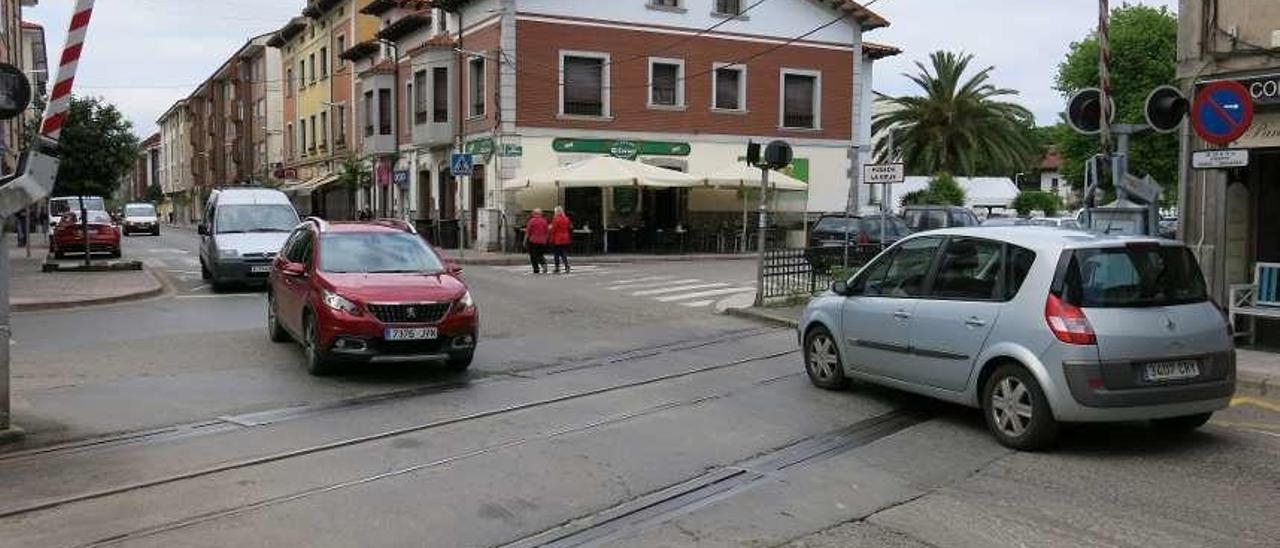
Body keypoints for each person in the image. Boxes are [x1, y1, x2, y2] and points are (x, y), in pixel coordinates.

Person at [524, 208, 549, 274]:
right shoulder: (544, 221)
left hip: (533, 240)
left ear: (534, 214)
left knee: (533, 255)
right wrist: (546, 239)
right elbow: (547, 231)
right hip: (542, 241)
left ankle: (536, 268)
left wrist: (525, 241)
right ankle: (543, 263)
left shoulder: (531, 221)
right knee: (540, 254)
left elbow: (528, 232)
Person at [550, 206, 572, 274]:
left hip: (557, 238)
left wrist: (551, 238)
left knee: (556, 253)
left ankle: (557, 267)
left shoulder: (556, 219)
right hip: (565, 238)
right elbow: (570, 227)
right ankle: (567, 266)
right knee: (563, 253)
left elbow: (553, 230)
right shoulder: (566, 219)